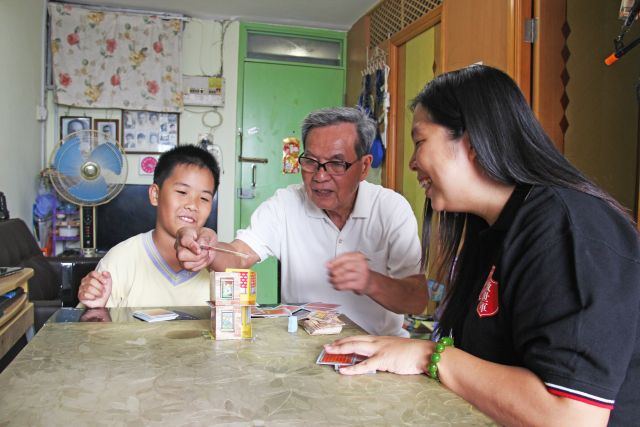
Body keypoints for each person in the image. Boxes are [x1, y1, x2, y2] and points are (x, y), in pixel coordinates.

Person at [323, 65, 640, 426]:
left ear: (472, 141)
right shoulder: (493, 230)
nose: (412, 162)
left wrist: (431, 356)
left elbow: (572, 417)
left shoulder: (565, 227)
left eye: (420, 141)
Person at [176, 107, 425, 336]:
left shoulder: (391, 209)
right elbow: (237, 256)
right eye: (310, 162)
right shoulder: (285, 204)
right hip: (304, 347)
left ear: (364, 166)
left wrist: (371, 281)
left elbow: (417, 299)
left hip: (379, 349)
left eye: (336, 163)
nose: (320, 176)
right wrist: (207, 249)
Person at [77, 145, 220, 308]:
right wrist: (97, 310)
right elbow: (90, 331)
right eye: (182, 192)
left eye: (204, 198)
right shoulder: (120, 260)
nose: (193, 205)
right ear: (155, 195)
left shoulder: (218, 267)